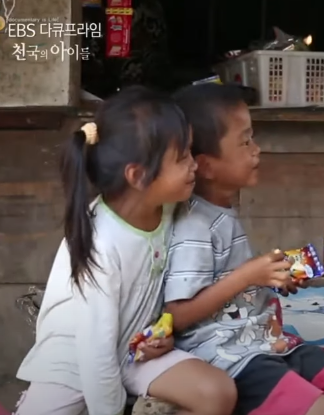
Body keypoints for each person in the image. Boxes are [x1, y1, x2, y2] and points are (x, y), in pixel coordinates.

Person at [165, 83, 324, 415]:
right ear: (206, 166)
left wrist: (270, 279)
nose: (257, 150)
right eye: (245, 141)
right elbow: (177, 316)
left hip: (271, 342)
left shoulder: (221, 213)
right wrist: (248, 276)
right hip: (231, 357)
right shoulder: (193, 227)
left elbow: (233, 282)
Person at [15, 86, 237, 415]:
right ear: (138, 175)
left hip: (136, 350)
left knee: (217, 393)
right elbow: (95, 354)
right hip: (75, 363)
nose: (194, 165)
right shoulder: (102, 244)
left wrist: (162, 334)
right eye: (182, 157)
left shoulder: (167, 208)